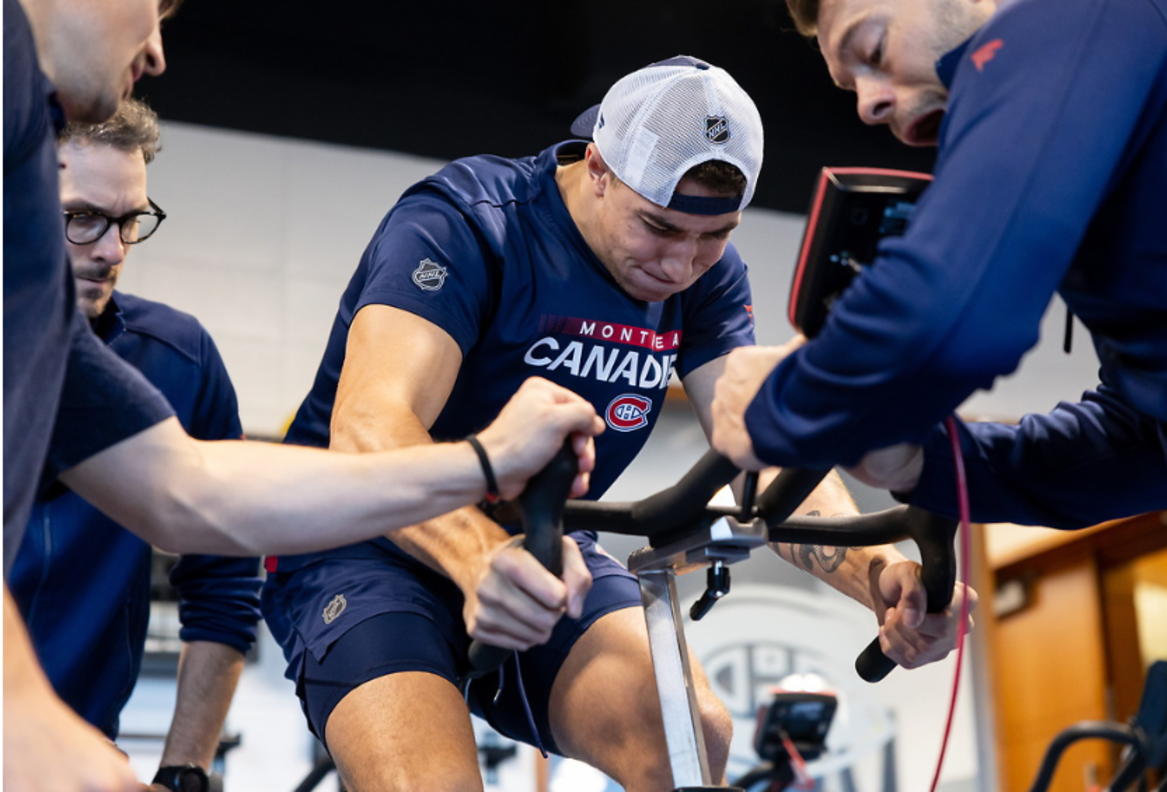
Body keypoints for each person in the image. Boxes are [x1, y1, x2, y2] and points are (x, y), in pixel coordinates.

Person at [262, 56, 973, 792]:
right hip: (363, 545)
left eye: (715, 235)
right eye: (659, 227)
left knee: (690, 736)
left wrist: (881, 578)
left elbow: (765, 451)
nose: (681, 266)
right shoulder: (468, 223)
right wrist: (477, 559)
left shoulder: (707, 282)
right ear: (597, 167)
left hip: (543, 546)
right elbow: (370, 430)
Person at [4, 1, 602, 789]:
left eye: (126, 222)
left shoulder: (62, 327)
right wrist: (24, 714)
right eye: (149, 6)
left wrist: (480, 462)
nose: (155, 52)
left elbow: (186, 487)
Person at [711, 0, 1167, 523]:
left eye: (873, 49)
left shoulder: (1078, 14)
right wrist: (928, 465)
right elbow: (1144, 440)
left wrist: (778, 404)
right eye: (852, 87)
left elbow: (951, 316)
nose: (867, 107)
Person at [8, 98, 263, 792]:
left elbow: (225, 573)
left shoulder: (177, 361)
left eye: (130, 221)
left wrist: (185, 768)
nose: (114, 250)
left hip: (83, 758)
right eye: (82, 218)